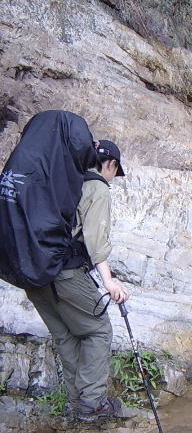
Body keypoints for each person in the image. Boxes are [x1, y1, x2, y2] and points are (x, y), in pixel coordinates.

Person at [25, 140, 130, 421]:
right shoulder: (97, 188)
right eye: (114, 171)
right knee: (99, 330)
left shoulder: (62, 181)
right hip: (65, 273)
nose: (112, 177)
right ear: (111, 165)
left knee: (65, 335)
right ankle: (92, 404)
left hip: (34, 272)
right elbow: (96, 241)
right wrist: (109, 282)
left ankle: (78, 403)